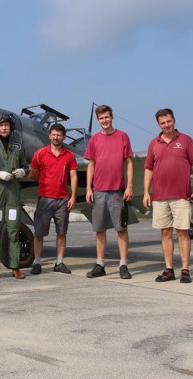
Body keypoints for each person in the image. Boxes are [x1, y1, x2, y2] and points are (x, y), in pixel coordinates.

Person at [142, 108, 193, 284]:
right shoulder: (153, 143)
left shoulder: (186, 140)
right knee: (165, 232)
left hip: (181, 196)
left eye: (168, 121)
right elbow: (148, 169)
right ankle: (169, 269)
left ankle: (185, 270)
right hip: (160, 196)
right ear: (158, 125)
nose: (166, 125)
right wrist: (146, 192)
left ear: (174, 120)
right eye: (162, 123)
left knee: (182, 232)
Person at [84, 105, 134, 279]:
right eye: (101, 118)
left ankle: (123, 265)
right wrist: (89, 188)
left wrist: (129, 186)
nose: (104, 121)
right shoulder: (94, 140)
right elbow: (91, 164)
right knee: (100, 230)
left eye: (107, 117)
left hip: (117, 191)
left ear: (112, 117)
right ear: (98, 120)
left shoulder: (123, 136)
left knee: (121, 229)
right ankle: (100, 264)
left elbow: (129, 162)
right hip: (98, 191)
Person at [0, 113, 29, 280]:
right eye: (1, 125)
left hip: (13, 196)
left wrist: (23, 171)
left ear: (10, 127)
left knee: (13, 232)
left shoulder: (18, 147)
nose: (4, 128)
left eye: (6, 125)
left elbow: (26, 166)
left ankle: (15, 267)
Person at [29, 123, 78, 275]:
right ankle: (37, 262)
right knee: (39, 233)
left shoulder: (69, 156)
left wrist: (73, 196)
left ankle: (59, 262)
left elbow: (73, 175)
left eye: (59, 135)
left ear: (63, 137)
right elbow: (33, 173)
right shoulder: (40, 154)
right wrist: (43, 184)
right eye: (54, 134)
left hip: (63, 199)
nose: (56, 137)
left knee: (61, 232)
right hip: (44, 198)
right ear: (49, 135)